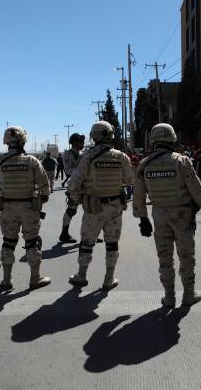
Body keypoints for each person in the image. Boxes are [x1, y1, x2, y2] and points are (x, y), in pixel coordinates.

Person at [133, 123, 201, 307]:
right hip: (182, 214)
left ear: (154, 141)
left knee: (165, 256)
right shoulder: (181, 161)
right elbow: (197, 192)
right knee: (186, 256)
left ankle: (169, 297)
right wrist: (195, 209)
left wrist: (143, 219)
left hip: (159, 214)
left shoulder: (144, 164)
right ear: (172, 139)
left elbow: (139, 196)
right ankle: (189, 295)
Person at [66, 121, 134, 291]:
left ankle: (81, 275)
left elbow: (73, 185)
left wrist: (80, 199)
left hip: (93, 207)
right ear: (111, 135)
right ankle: (109, 278)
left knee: (87, 242)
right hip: (115, 207)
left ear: (94, 136)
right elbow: (131, 180)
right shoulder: (121, 157)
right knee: (112, 243)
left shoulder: (87, 157)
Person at [0, 126, 51, 290]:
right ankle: (35, 278)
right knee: (31, 243)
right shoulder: (32, 161)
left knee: (8, 242)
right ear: (23, 141)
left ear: (6, 142)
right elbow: (45, 188)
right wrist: (41, 199)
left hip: (7, 207)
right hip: (29, 207)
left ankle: (6, 280)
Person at [59, 133, 86, 243]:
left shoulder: (82, 155)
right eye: (81, 142)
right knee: (71, 210)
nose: (82, 144)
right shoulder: (68, 155)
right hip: (75, 185)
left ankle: (89, 234)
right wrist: (80, 166)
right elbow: (68, 171)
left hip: (85, 185)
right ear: (75, 143)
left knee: (90, 210)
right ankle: (64, 234)